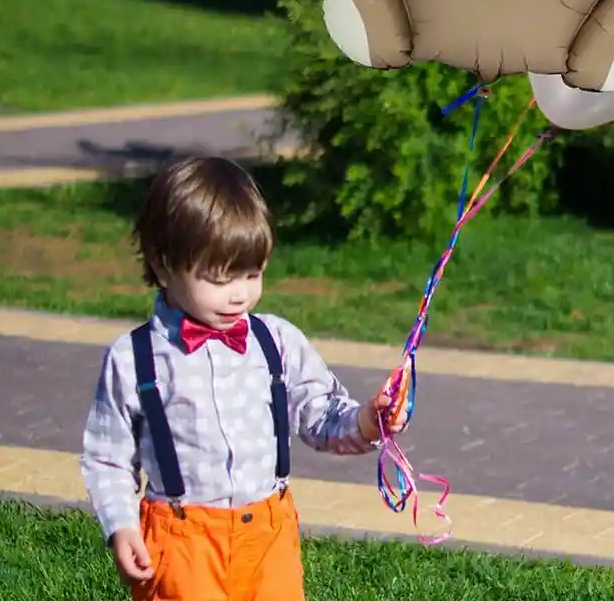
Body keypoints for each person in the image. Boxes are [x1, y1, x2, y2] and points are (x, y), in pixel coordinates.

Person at [81, 157, 389, 601]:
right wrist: (121, 526)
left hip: (269, 538)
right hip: (181, 544)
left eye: (254, 274)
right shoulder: (134, 359)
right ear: (164, 265)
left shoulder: (276, 341)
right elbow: (107, 459)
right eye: (221, 279)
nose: (241, 293)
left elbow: (319, 413)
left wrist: (365, 421)